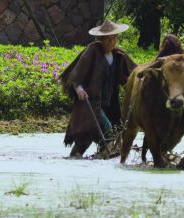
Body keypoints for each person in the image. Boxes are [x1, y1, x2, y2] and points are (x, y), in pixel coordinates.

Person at [59, 19, 137, 158]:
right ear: (101, 39)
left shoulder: (118, 55)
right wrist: (79, 90)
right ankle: (101, 154)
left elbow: (132, 74)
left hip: (109, 104)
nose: (112, 42)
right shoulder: (92, 51)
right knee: (107, 130)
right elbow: (77, 75)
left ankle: (98, 157)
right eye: (108, 39)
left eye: (114, 39)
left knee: (88, 139)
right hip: (92, 102)